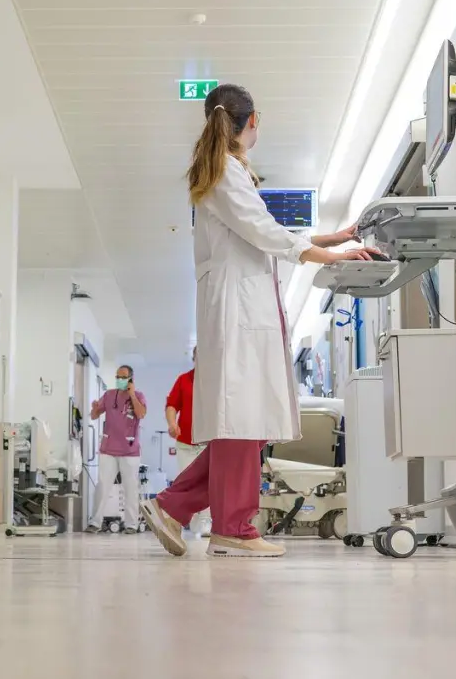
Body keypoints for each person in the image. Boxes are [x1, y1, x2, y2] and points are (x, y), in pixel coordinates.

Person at [142, 83, 376, 558]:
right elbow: (262, 231)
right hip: (238, 310)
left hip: (239, 307)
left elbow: (260, 229)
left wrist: (330, 240)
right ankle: (232, 525)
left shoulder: (227, 171)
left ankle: (175, 506)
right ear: (252, 122)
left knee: (244, 421)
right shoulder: (227, 171)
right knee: (241, 419)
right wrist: (326, 257)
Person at [87, 365, 147, 533]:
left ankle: (131, 524)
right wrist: (94, 408)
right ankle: (95, 522)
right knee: (103, 486)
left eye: (123, 377)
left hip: (130, 451)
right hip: (108, 449)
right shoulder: (109, 395)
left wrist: (132, 394)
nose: (119, 380)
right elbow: (94, 415)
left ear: (131, 379)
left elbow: (141, 414)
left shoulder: (139, 396)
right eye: (117, 376)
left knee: (130, 488)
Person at [165, 348, 209, 535]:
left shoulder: (217, 382)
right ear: (194, 358)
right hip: (185, 443)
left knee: (207, 483)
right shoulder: (184, 380)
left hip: (208, 442)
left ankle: (205, 522)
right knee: (187, 482)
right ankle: (179, 520)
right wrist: (172, 423)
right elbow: (172, 405)